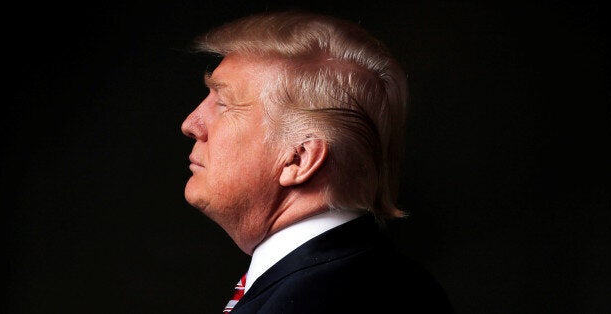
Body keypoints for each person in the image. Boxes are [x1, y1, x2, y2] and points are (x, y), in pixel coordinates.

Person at [181, 10, 454, 313]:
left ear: (298, 159)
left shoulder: (307, 301)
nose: (191, 123)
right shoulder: (403, 283)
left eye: (223, 103)